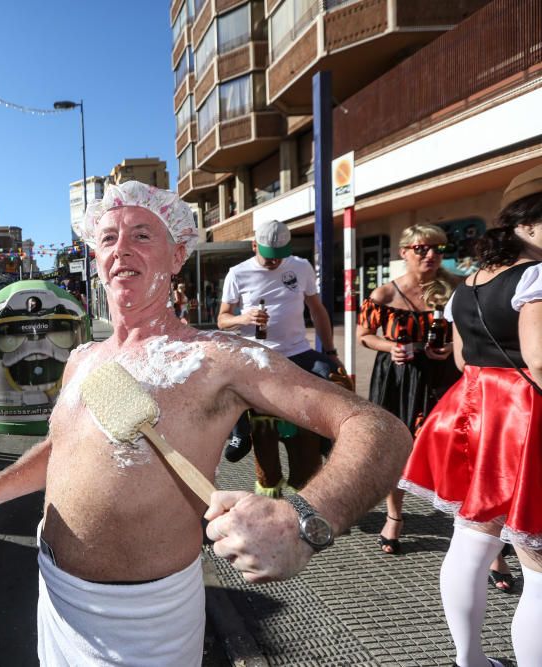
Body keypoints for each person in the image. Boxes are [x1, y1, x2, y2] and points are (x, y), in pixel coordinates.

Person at [0, 181, 412, 665]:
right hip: (54, 599)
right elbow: (66, 447)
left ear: (177, 254)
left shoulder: (217, 359)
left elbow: (381, 430)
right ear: (96, 259)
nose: (121, 249)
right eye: (108, 238)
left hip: (142, 627)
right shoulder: (83, 358)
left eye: (142, 235)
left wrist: (304, 519)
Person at [399, 164, 542, 667]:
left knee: (470, 541)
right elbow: (540, 358)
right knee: (538, 564)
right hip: (525, 415)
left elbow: (462, 359)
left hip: (474, 407)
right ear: (526, 224)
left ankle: (470, 661)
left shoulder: (468, 285)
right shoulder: (536, 276)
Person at [357, 223, 463, 556]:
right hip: (398, 378)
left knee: (456, 449)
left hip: (444, 376)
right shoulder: (384, 295)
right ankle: (395, 517)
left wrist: (452, 347)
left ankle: (469, 524)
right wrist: (390, 347)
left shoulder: (455, 288)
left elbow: (469, 329)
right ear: (404, 252)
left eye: (438, 249)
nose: (431, 255)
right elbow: (364, 335)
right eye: (421, 248)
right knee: (398, 448)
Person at [217, 220, 344, 497]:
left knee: (333, 374)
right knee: (228, 383)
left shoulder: (301, 266)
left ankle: (326, 438)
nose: (275, 263)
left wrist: (331, 350)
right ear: (254, 246)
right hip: (257, 353)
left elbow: (317, 309)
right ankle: (240, 433)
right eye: (269, 257)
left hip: (297, 350)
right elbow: (222, 319)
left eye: (280, 257)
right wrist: (242, 317)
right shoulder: (237, 273)